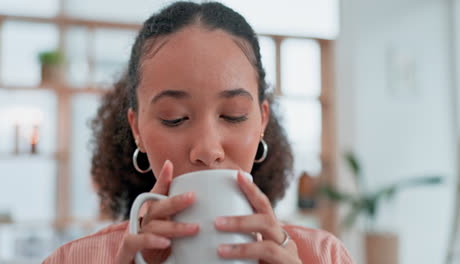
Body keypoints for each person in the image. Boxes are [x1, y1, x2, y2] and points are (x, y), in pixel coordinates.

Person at [43, 2, 353, 263]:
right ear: (137, 129)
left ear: (261, 121)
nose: (207, 149)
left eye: (234, 115)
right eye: (174, 119)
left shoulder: (323, 255)